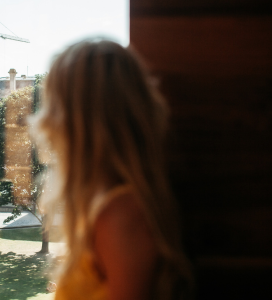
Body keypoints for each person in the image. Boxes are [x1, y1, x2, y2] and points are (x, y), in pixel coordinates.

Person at [33, 39, 193, 300]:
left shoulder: (121, 214)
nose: (44, 120)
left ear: (79, 118)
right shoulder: (106, 203)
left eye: (54, 104)